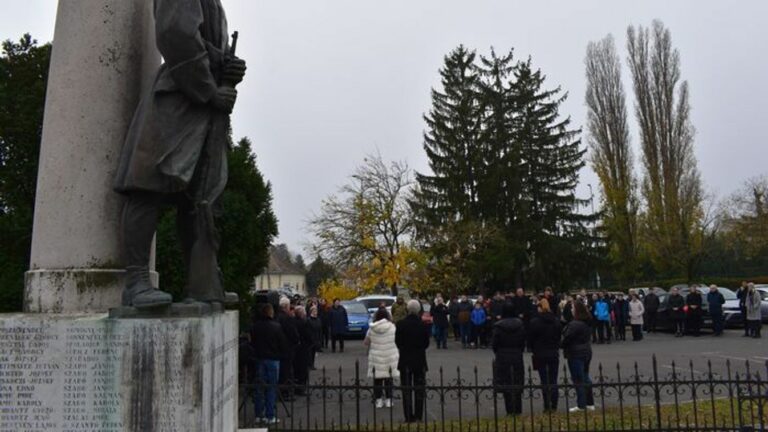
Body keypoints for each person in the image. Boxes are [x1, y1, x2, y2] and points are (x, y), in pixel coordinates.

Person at [114, 0, 246, 308]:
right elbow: (177, 34)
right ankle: (136, 282)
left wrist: (228, 68)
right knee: (147, 187)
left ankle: (202, 284)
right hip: (178, 99)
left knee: (198, 200)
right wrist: (209, 90)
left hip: (201, 107)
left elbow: (200, 43)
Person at [250, 303, 287, 425]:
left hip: (260, 358)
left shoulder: (255, 326)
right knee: (271, 387)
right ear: (271, 313)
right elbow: (282, 343)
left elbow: (253, 343)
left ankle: (258, 415)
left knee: (259, 388)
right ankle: (269, 415)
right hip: (273, 359)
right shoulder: (276, 326)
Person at [395, 300, 431, 423]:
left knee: (406, 389)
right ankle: (418, 416)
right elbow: (426, 343)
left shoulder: (400, 324)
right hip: (419, 360)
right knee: (419, 388)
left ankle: (408, 416)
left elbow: (398, 342)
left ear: (407, 309)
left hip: (405, 360)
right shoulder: (423, 325)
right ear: (418, 310)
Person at [527, 299, 561, 412]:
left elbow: (530, 339)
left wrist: (533, 348)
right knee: (553, 379)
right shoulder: (555, 321)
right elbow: (558, 336)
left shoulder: (535, 322)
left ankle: (547, 404)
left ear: (541, 308)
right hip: (553, 352)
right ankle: (554, 404)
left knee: (544, 380)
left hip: (540, 353)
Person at [561, 302, 595, 413]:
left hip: (576, 352)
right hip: (586, 351)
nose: (571, 309)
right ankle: (590, 403)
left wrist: (561, 344)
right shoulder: (586, 321)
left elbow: (567, 338)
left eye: (572, 308)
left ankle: (581, 405)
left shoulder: (574, 324)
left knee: (578, 379)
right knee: (585, 377)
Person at [365, 308, 400, 409]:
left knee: (377, 380)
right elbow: (397, 340)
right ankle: (389, 400)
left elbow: (366, 342)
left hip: (376, 356)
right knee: (389, 378)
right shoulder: (393, 327)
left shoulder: (372, 328)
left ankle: (378, 400)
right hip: (389, 355)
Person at [276, 297, 299, 400]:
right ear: (286, 306)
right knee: (286, 371)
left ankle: (281, 391)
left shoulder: (277, 316)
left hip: (278, 348)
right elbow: (292, 333)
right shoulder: (287, 318)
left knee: (281, 371)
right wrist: (296, 341)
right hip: (287, 348)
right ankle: (285, 393)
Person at [293, 306, 314, 393]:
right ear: (301, 313)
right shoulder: (304, 323)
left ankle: (297, 386)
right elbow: (308, 335)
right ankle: (302, 387)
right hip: (304, 348)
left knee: (297, 369)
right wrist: (311, 342)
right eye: (304, 311)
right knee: (303, 369)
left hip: (296, 348)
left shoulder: (293, 322)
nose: (305, 313)